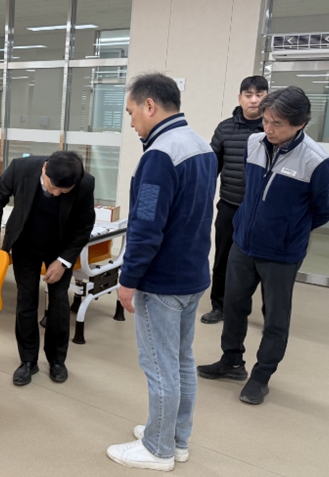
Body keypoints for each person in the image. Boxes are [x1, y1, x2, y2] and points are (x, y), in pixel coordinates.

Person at [197, 86, 329, 405]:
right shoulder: (253, 143)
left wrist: (288, 230)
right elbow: (252, 190)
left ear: (300, 124)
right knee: (233, 305)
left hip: (281, 254)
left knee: (275, 317)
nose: (268, 129)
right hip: (243, 244)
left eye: (277, 124)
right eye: (265, 121)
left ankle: (261, 377)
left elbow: (324, 209)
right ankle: (232, 361)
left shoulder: (317, 162)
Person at [107, 73, 217, 471]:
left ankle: (158, 449)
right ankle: (176, 438)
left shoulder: (159, 155)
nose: (131, 122)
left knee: (160, 366)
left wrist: (128, 280)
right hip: (193, 274)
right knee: (182, 360)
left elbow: (146, 227)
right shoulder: (201, 145)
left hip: (163, 281)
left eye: (132, 112)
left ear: (150, 106)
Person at [0, 151, 95, 386]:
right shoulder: (21, 168)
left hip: (60, 247)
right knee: (26, 300)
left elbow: (84, 226)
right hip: (26, 243)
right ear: (44, 169)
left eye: (63, 192)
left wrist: (63, 261)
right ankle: (28, 361)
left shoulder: (84, 183)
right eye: (53, 188)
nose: (56, 194)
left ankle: (57, 361)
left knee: (59, 303)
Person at [201, 76, 268, 324]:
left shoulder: (273, 129)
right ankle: (219, 306)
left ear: (267, 97)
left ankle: (269, 314)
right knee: (223, 258)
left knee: (265, 263)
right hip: (230, 205)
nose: (254, 100)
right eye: (248, 95)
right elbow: (212, 168)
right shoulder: (225, 128)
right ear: (240, 98)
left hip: (263, 210)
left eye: (259, 94)